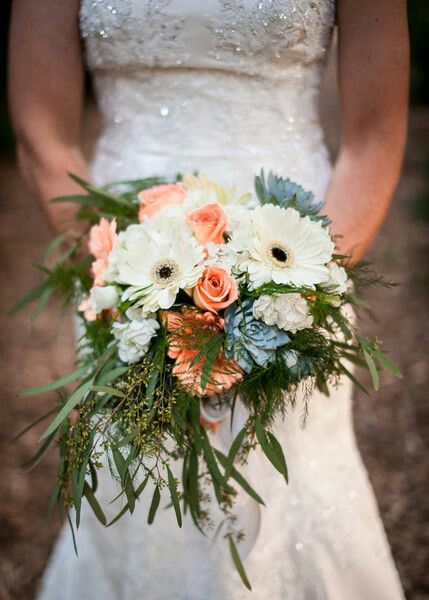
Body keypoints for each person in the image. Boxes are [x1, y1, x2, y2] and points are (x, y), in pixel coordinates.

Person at [8, 1, 409, 598]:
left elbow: (375, 136)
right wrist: (116, 281)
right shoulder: (118, 279)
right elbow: (43, 134)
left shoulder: (300, 279)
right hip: (123, 265)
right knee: (136, 474)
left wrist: (296, 292)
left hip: (296, 250)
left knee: (287, 477)